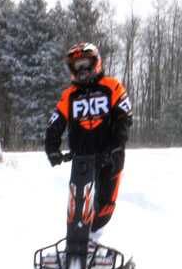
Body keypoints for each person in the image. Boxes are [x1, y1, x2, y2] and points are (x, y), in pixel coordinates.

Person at [45, 42, 133, 240]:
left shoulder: (113, 86)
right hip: (82, 158)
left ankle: (95, 238)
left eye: (85, 64)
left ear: (96, 63)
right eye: (77, 66)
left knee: (105, 205)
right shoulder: (70, 95)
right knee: (78, 206)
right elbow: (55, 122)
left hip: (111, 155)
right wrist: (51, 147)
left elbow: (124, 119)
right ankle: (77, 243)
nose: (82, 70)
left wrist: (116, 145)